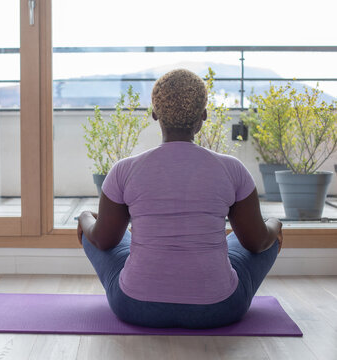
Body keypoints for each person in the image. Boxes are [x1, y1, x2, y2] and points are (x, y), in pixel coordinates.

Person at [77, 69, 283, 329]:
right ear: (203, 117)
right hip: (219, 309)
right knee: (267, 236)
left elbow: (103, 241)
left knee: (93, 230)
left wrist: (84, 218)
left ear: (155, 114)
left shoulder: (124, 170)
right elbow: (256, 243)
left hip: (134, 306)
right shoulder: (232, 169)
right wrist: (275, 224)